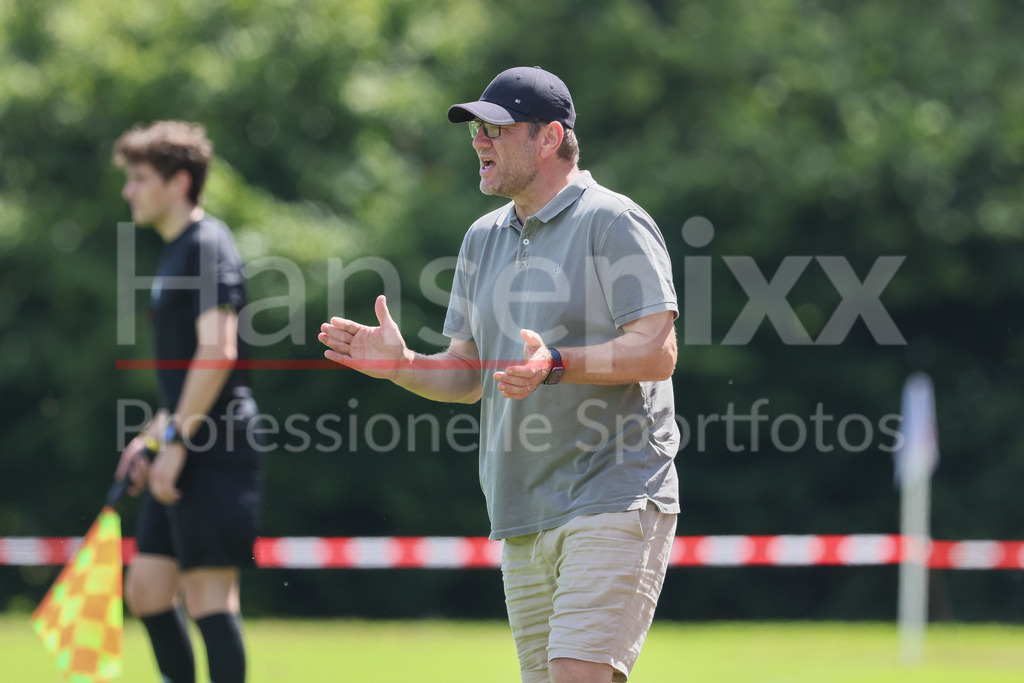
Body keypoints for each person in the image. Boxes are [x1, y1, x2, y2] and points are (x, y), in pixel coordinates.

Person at [319, 66, 680, 683]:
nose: (478, 141)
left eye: (495, 128)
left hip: (615, 493)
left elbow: (656, 350)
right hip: (521, 509)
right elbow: (466, 374)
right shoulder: (481, 238)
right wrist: (403, 366)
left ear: (548, 138)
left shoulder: (613, 221)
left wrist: (557, 365)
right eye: (476, 130)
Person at [112, 121, 264, 683]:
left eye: (139, 179)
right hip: (185, 436)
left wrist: (176, 441)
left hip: (216, 443)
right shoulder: (177, 250)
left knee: (209, 597)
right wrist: (151, 438)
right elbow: (184, 376)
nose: (129, 191)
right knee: (148, 591)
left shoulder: (206, 243)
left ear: (179, 183)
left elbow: (218, 352)